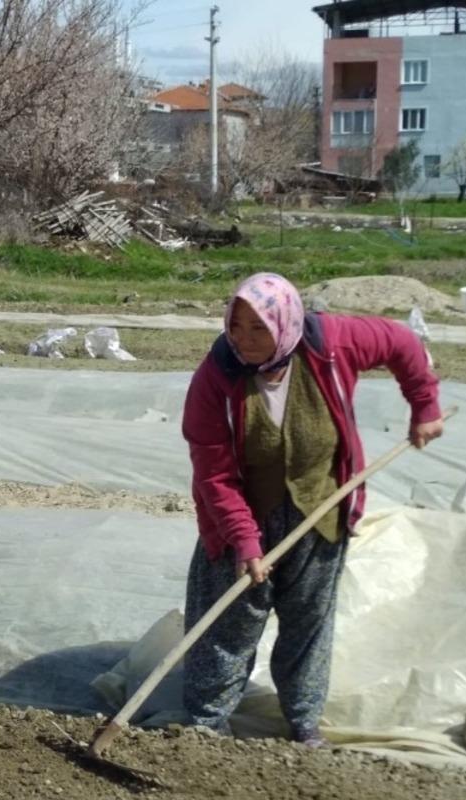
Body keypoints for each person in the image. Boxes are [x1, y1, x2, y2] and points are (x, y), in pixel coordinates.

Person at [181, 272, 443, 747]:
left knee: (308, 623)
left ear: (284, 323)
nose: (244, 340)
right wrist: (244, 540)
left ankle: (303, 722)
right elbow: (214, 474)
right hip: (242, 515)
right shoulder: (215, 378)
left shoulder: (331, 344)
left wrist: (424, 405)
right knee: (227, 626)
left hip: (320, 509)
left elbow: (402, 342)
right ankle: (205, 726)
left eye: (258, 328)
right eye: (236, 327)